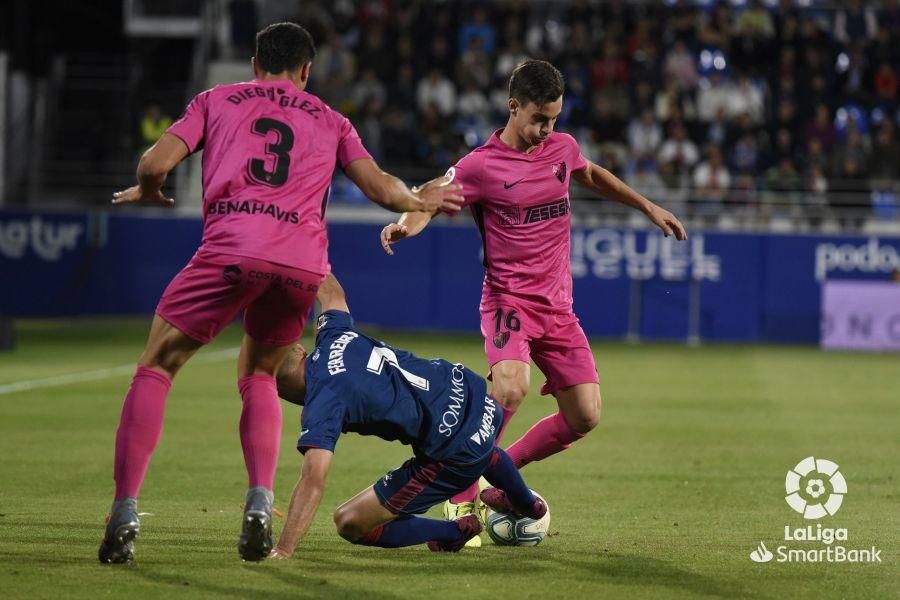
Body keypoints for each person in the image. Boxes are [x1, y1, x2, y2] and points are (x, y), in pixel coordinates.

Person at [98, 23, 462, 565]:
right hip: (299, 266)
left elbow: (153, 164)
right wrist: (424, 198)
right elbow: (384, 189)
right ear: (307, 71)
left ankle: (125, 510)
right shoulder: (332, 119)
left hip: (231, 247)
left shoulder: (215, 100)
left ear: (254, 64)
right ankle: (259, 502)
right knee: (260, 374)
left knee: (157, 367)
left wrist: (151, 189)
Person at [380, 60, 686, 545]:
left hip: (559, 308)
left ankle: (500, 473)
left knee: (585, 414)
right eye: (539, 118)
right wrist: (405, 224)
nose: (547, 129)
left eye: (555, 118)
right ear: (513, 107)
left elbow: (591, 174)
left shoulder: (562, 148)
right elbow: (431, 199)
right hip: (508, 302)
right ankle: (458, 487)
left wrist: (647, 206)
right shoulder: (481, 165)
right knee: (510, 388)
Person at [269, 274, 545, 557]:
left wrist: (283, 548)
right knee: (475, 443)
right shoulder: (333, 333)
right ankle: (527, 503)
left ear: (271, 387)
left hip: (454, 450)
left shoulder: (322, 401)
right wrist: (297, 251)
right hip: (476, 397)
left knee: (350, 522)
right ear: (300, 348)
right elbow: (331, 291)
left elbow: (313, 478)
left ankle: (454, 531)